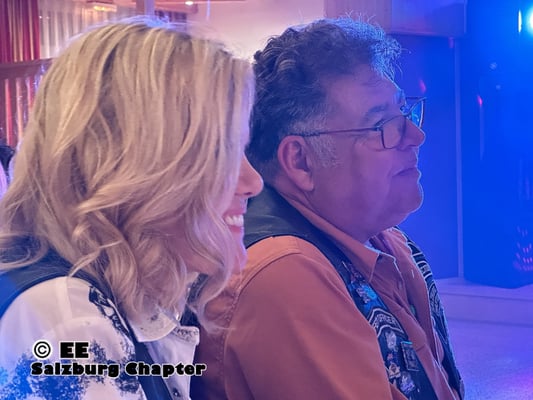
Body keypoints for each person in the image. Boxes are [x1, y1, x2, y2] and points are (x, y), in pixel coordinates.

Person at [192, 17, 464, 400]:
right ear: (300, 161)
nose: (416, 136)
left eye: (404, 112)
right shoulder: (283, 273)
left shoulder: (386, 240)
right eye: (382, 125)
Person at [0, 17, 262, 399]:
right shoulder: (65, 321)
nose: (253, 182)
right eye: (221, 152)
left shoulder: (113, 296)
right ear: (135, 165)